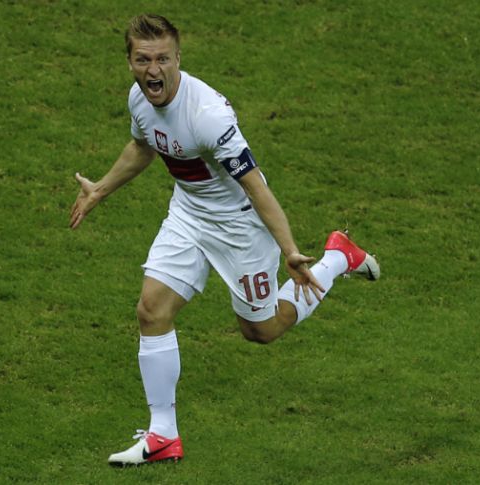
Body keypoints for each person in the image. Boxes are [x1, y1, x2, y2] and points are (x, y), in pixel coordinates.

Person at [69, 14, 380, 467]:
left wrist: (290, 249)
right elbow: (144, 145)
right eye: (142, 60)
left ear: (178, 59)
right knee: (151, 309)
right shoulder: (139, 98)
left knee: (261, 331)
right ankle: (163, 436)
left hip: (240, 225)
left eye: (162, 60)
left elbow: (256, 187)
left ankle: (337, 257)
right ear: (130, 61)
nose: (152, 70)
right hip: (190, 214)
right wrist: (101, 187)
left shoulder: (209, 117)